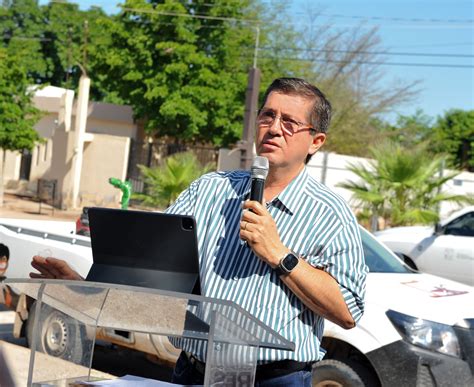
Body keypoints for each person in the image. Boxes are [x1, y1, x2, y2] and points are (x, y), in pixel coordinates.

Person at [31, 78, 368, 386]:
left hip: (273, 380)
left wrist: (279, 254)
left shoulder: (330, 214)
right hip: (192, 372)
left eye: (289, 122)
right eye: (267, 116)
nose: (273, 128)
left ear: (316, 141)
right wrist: (83, 287)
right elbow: (152, 274)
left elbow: (348, 311)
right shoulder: (209, 189)